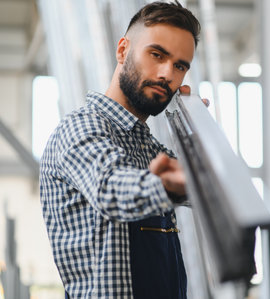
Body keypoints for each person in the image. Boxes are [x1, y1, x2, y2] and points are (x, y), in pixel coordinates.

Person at [39, 1, 202, 298]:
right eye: (157, 55)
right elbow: (111, 186)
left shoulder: (148, 146)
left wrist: (197, 141)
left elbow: (204, 193)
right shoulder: (80, 129)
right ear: (123, 50)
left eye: (180, 66)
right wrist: (165, 186)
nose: (168, 74)